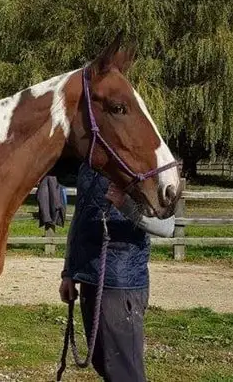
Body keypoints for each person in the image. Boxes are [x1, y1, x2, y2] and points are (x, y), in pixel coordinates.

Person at [59, 163, 175, 382]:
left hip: (122, 285)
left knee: (125, 371)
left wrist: (126, 205)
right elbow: (79, 219)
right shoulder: (88, 166)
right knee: (103, 363)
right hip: (89, 279)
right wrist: (68, 272)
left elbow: (167, 227)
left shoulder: (144, 166)